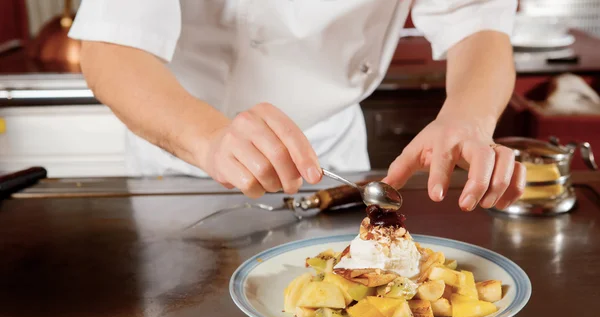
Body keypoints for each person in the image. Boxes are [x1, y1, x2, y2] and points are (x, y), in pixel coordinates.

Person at [68, 0, 525, 211]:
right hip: (184, 151)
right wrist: (207, 137)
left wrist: (467, 117)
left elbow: (478, 23)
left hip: (331, 155)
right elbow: (110, 47)